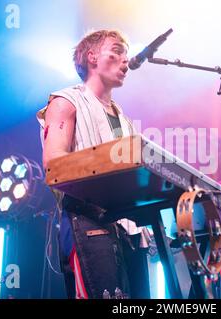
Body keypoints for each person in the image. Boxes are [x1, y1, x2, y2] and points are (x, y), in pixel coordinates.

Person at [36, 29, 151, 299]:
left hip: (129, 230)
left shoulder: (124, 119)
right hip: (88, 222)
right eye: (116, 52)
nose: (126, 62)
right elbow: (54, 166)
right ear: (92, 57)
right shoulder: (66, 102)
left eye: (127, 54)